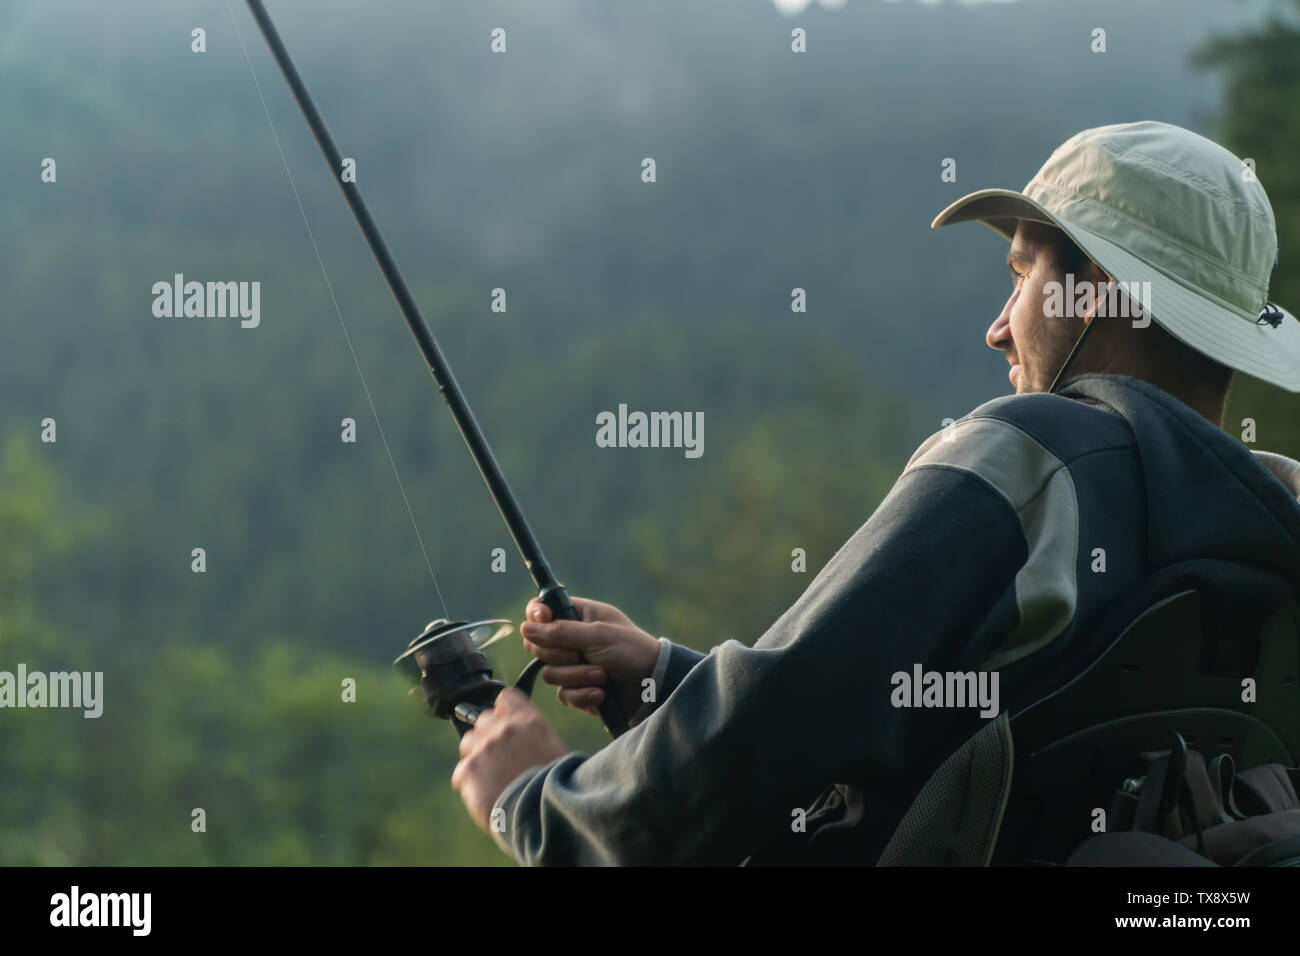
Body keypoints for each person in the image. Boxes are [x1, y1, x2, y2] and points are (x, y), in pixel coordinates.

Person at [451, 121, 1300, 865]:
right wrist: (670, 676)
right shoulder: (1276, 526)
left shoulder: (1026, 462)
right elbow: (918, 717)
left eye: (1020, 277)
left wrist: (527, 799)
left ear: (1100, 289)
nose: (999, 325)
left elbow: (763, 744)